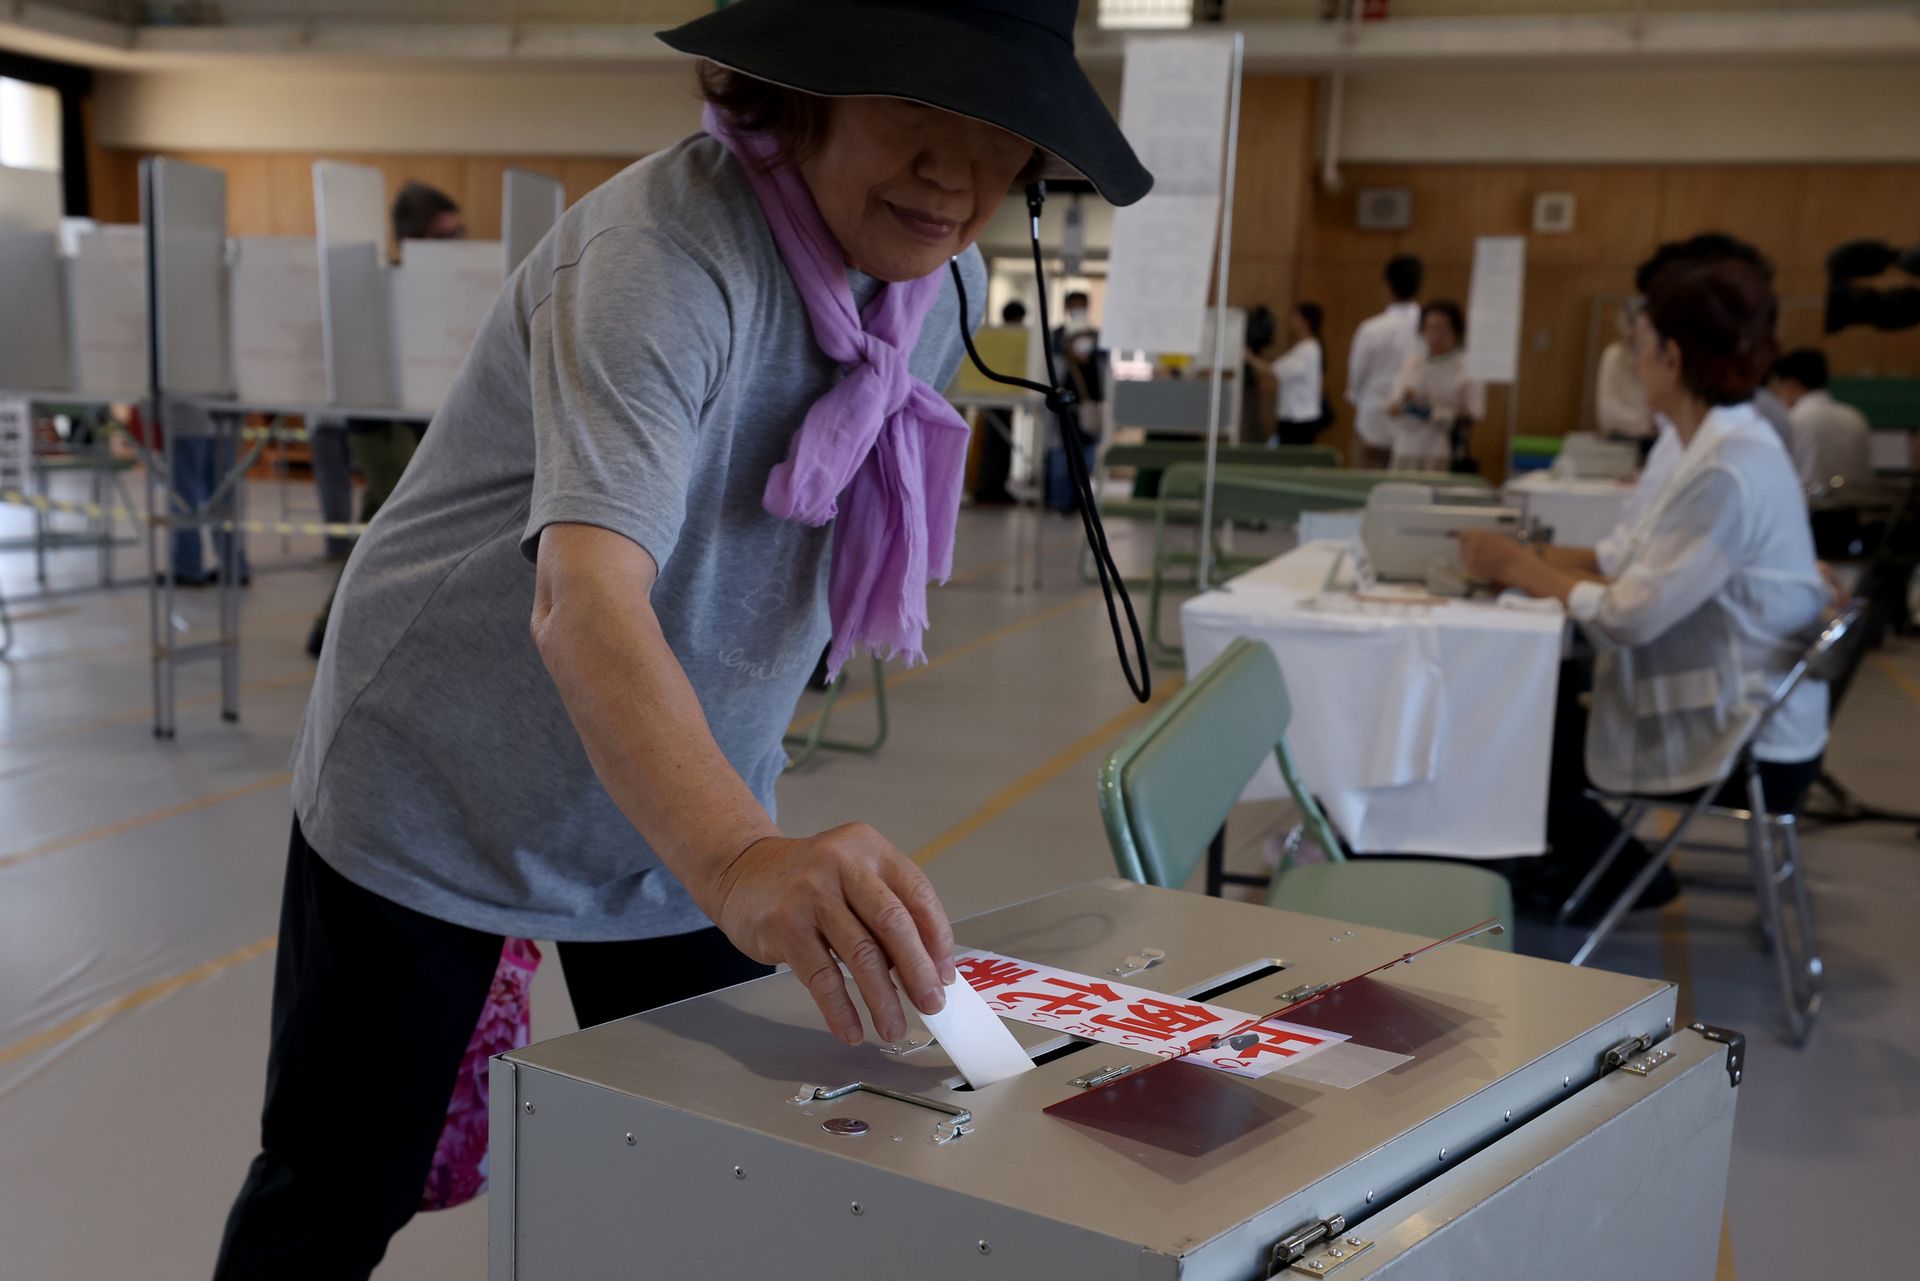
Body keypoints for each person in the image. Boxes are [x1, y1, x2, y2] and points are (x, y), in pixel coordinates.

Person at [215, 3, 1152, 1276]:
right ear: (804, 90)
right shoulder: (663, 260)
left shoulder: (943, 286)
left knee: (705, 1161)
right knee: (340, 1176)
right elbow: (584, 597)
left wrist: (731, 829)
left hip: (677, 775)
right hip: (441, 763)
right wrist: (741, 856)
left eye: (998, 135)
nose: (954, 172)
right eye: (912, 110)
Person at [1460, 256, 1829, 921]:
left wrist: (1520, 567)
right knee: (1528, 715)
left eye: (1638, 347)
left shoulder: (1727, 469)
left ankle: (1611, 877)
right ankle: (1587, 870)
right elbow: (1628, 562)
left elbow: (1629, 613)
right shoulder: (1720, 446)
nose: (1632, 363)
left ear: (1671, 355)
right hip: (1749, 708)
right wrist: (1529, 557)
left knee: (1507, 727)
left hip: (1741, 738)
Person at [305, 182, 470, 656]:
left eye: (458, 234)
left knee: (379, 522)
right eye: (443, 237)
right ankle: (357, 627)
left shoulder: (450, 285)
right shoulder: (381, 284)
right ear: (412, 239)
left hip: (424, 415)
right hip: (379, 421)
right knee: (403, 521)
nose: (454, 246)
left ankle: (330, 624)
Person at [1346, 253, 1423, 468]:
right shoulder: (1427, 330)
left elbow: (1357, 378)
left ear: (1387, 285)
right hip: (1415, 427)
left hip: (1373, 423)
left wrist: (1361, 400)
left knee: (1367, 492)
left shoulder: (1371, 329)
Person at [1386, 300, 1482, 473]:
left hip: (1440, 450)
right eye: (1429, 328)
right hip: (1406, 448)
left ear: (1455, 331)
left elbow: (1474, 413)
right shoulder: (1413, 363)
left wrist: (1436, 414)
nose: (1434, 336)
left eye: (1441, 329)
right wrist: (1404, 401)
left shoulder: (1466, 366)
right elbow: (1392, 407)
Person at [1770, 348, 1873, 493]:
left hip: (1808, 508)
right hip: (1853, 507)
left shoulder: (1793, 419)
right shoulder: (1854, 416)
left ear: (1791, 383)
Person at [1046, 288, 1104, 512]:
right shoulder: (1058, 335)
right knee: (1061, 454)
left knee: (1087, 455)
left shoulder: (1096, 335)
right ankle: (1061, 502)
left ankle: (1080, 500)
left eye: (1082, 305)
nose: (1078, 310)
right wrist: (1068, 348)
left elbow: (1103, 360)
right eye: (1074, 305)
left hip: (1089, 403)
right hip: (1065, 404)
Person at [1594, 300, 1654, 450]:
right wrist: (1645, 423)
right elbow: (1607, 413)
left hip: (1653, 440)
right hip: (1621, 441)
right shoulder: (1613, 356)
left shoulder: (1657, 358)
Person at [1270, 301, 1327, 447]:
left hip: (1300, 418)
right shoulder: (1302, 347)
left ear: (1305, 322)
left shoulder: (1309, 349)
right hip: (1293, 416)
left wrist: (1248, 356)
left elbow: (1275, 370)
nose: (1291, 320)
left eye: (1295, 316)